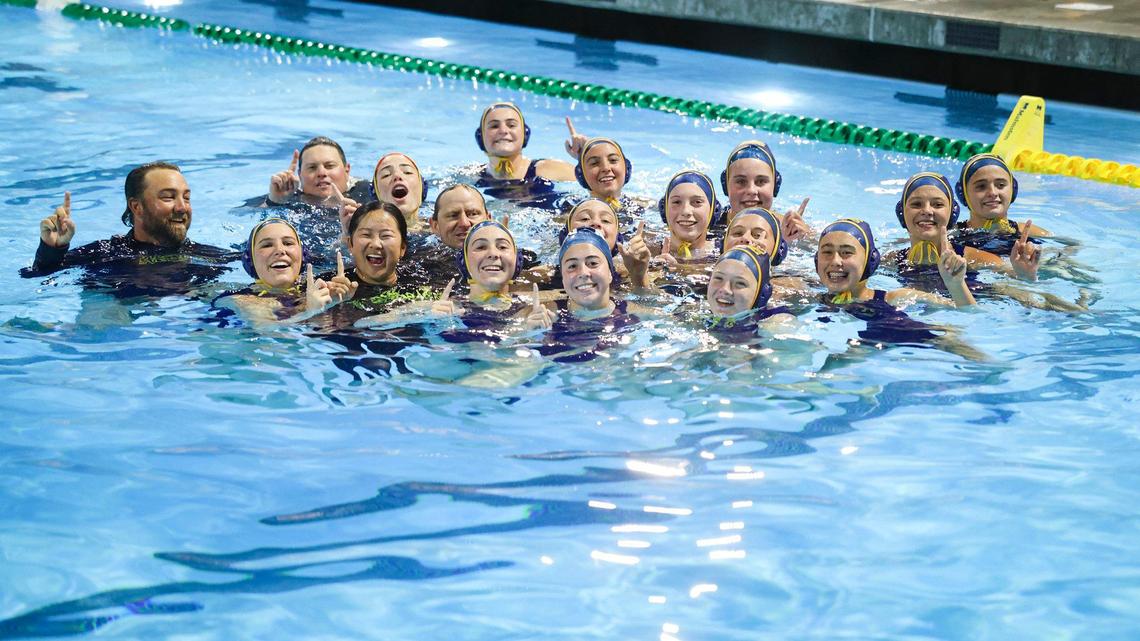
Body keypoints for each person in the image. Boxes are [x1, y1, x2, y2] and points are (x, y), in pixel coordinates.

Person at [23, 162, 237, 297]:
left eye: (187, 198)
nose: (182, 207)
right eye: (168, 197)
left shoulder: (209, 257)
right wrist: (52, 249)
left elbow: (253, 263)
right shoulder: (105, 253)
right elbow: (36, 276)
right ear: (136, 207)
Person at [214, 218, 355, 325]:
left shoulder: (319, 289)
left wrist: (339, 301)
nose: (280, 250)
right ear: (250, 261)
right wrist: (310, 311)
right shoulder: (242, 301)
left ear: (302, 256)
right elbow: (268, 332)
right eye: (267, 245)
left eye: (288, 243)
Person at [474, 102, 574, 205]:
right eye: (494, 126)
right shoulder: (473, 176)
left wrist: (582, 156)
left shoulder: (552, 169)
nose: (503, 131)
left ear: (525, 134)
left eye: (511, 125)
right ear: (480, 137)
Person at [953, 152, 1051, 254]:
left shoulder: (1029, 233)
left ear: (1013, 189)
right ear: (963, 194)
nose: (993, 193)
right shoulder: (951, 237)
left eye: (1000, 185)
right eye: (981, 186)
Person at [720, 140, 811, 241]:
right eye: (741, 181)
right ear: (726, 185)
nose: (751, 190)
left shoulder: (787, 227)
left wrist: (800, 238)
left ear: (775, 186)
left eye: (761, 181)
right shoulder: (711, 223)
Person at [560, 198, 651, 289]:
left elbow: (650, 296)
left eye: (605, 220)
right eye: (585, 218)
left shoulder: (626, 273)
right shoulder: (551, 277)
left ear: (617, 238)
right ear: (567, 234)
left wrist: (639, 276)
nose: (596, 223)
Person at [707, 245, 794, 325]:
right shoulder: (702, 311)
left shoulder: (776, 323)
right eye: (718, 278)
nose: (725, 289)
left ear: (762, 294)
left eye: (740, 283)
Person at [372, 152, 428, 232]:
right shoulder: (363, 231)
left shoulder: (440, 227)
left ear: (422, 188)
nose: (397, 175)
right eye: (386, 175)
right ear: (377, 194)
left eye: (408, 172)